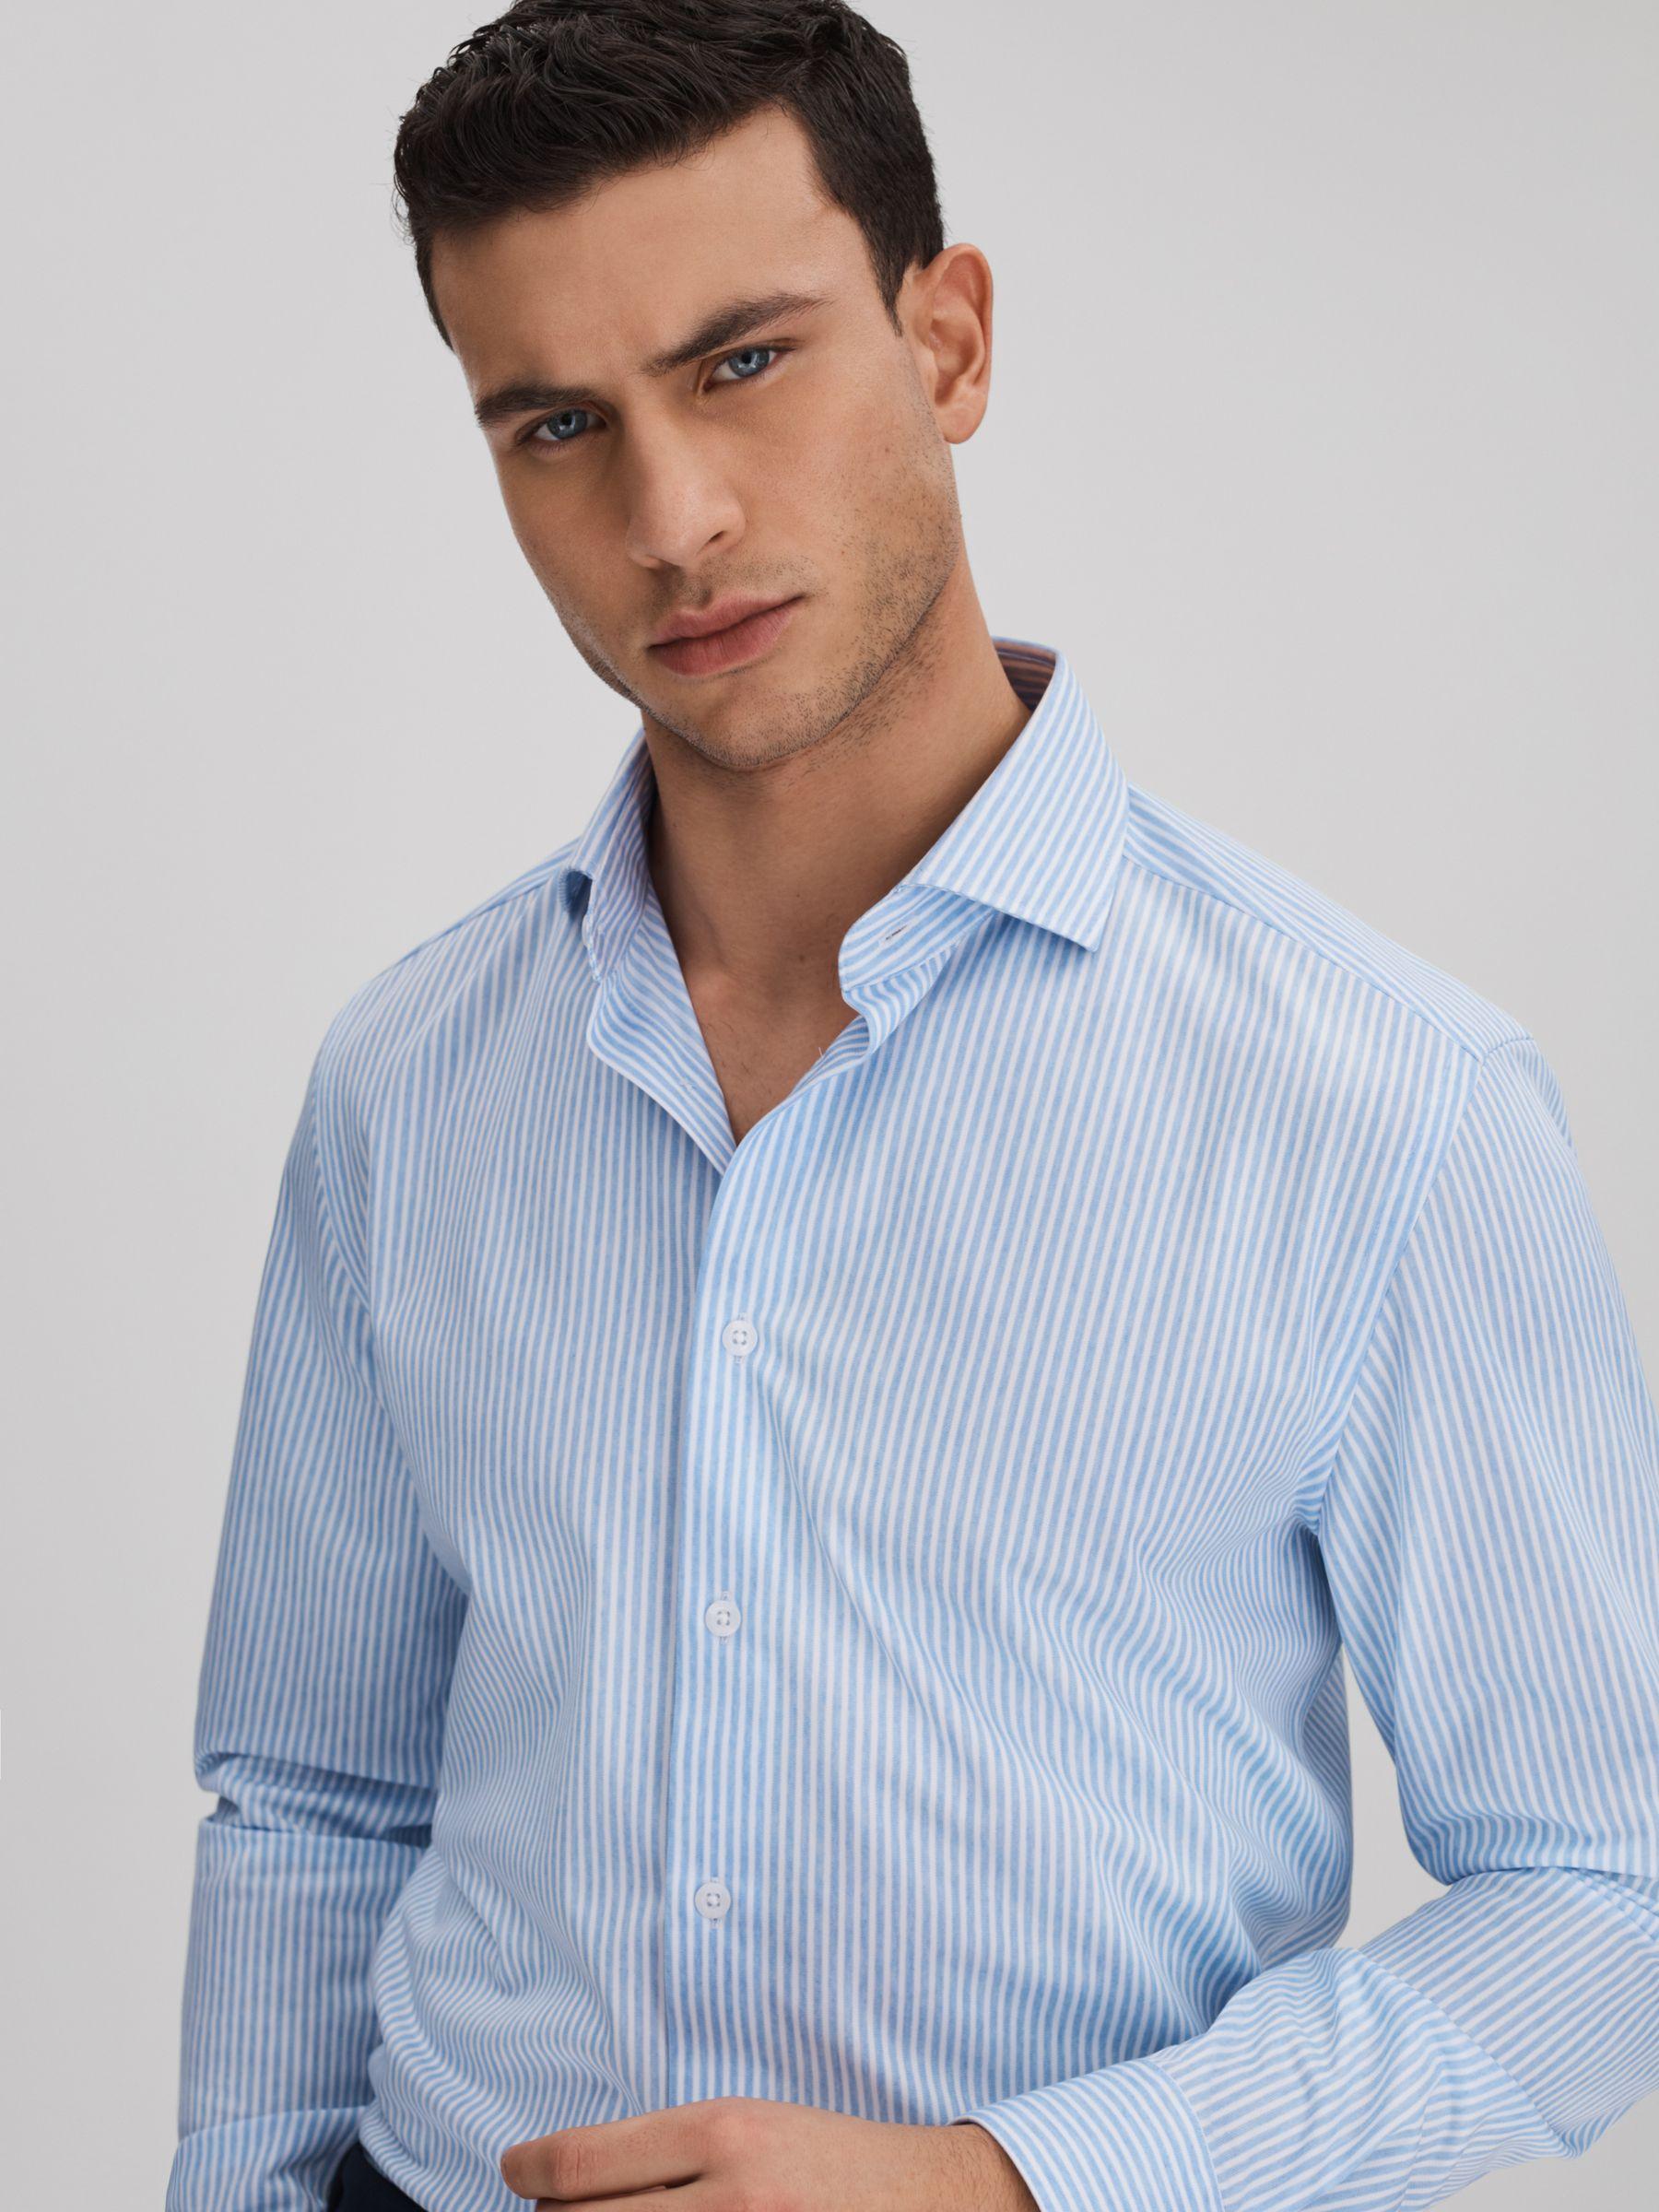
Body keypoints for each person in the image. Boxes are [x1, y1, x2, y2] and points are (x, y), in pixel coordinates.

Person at [166, 4, 1659, 2209]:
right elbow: (312, 1805)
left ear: (946, 341)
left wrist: (1004, 2180)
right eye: (558, 423)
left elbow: (1603, 1897)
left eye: (743, 362)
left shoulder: (1384, 1100)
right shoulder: (411, 1079)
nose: (670, 518)